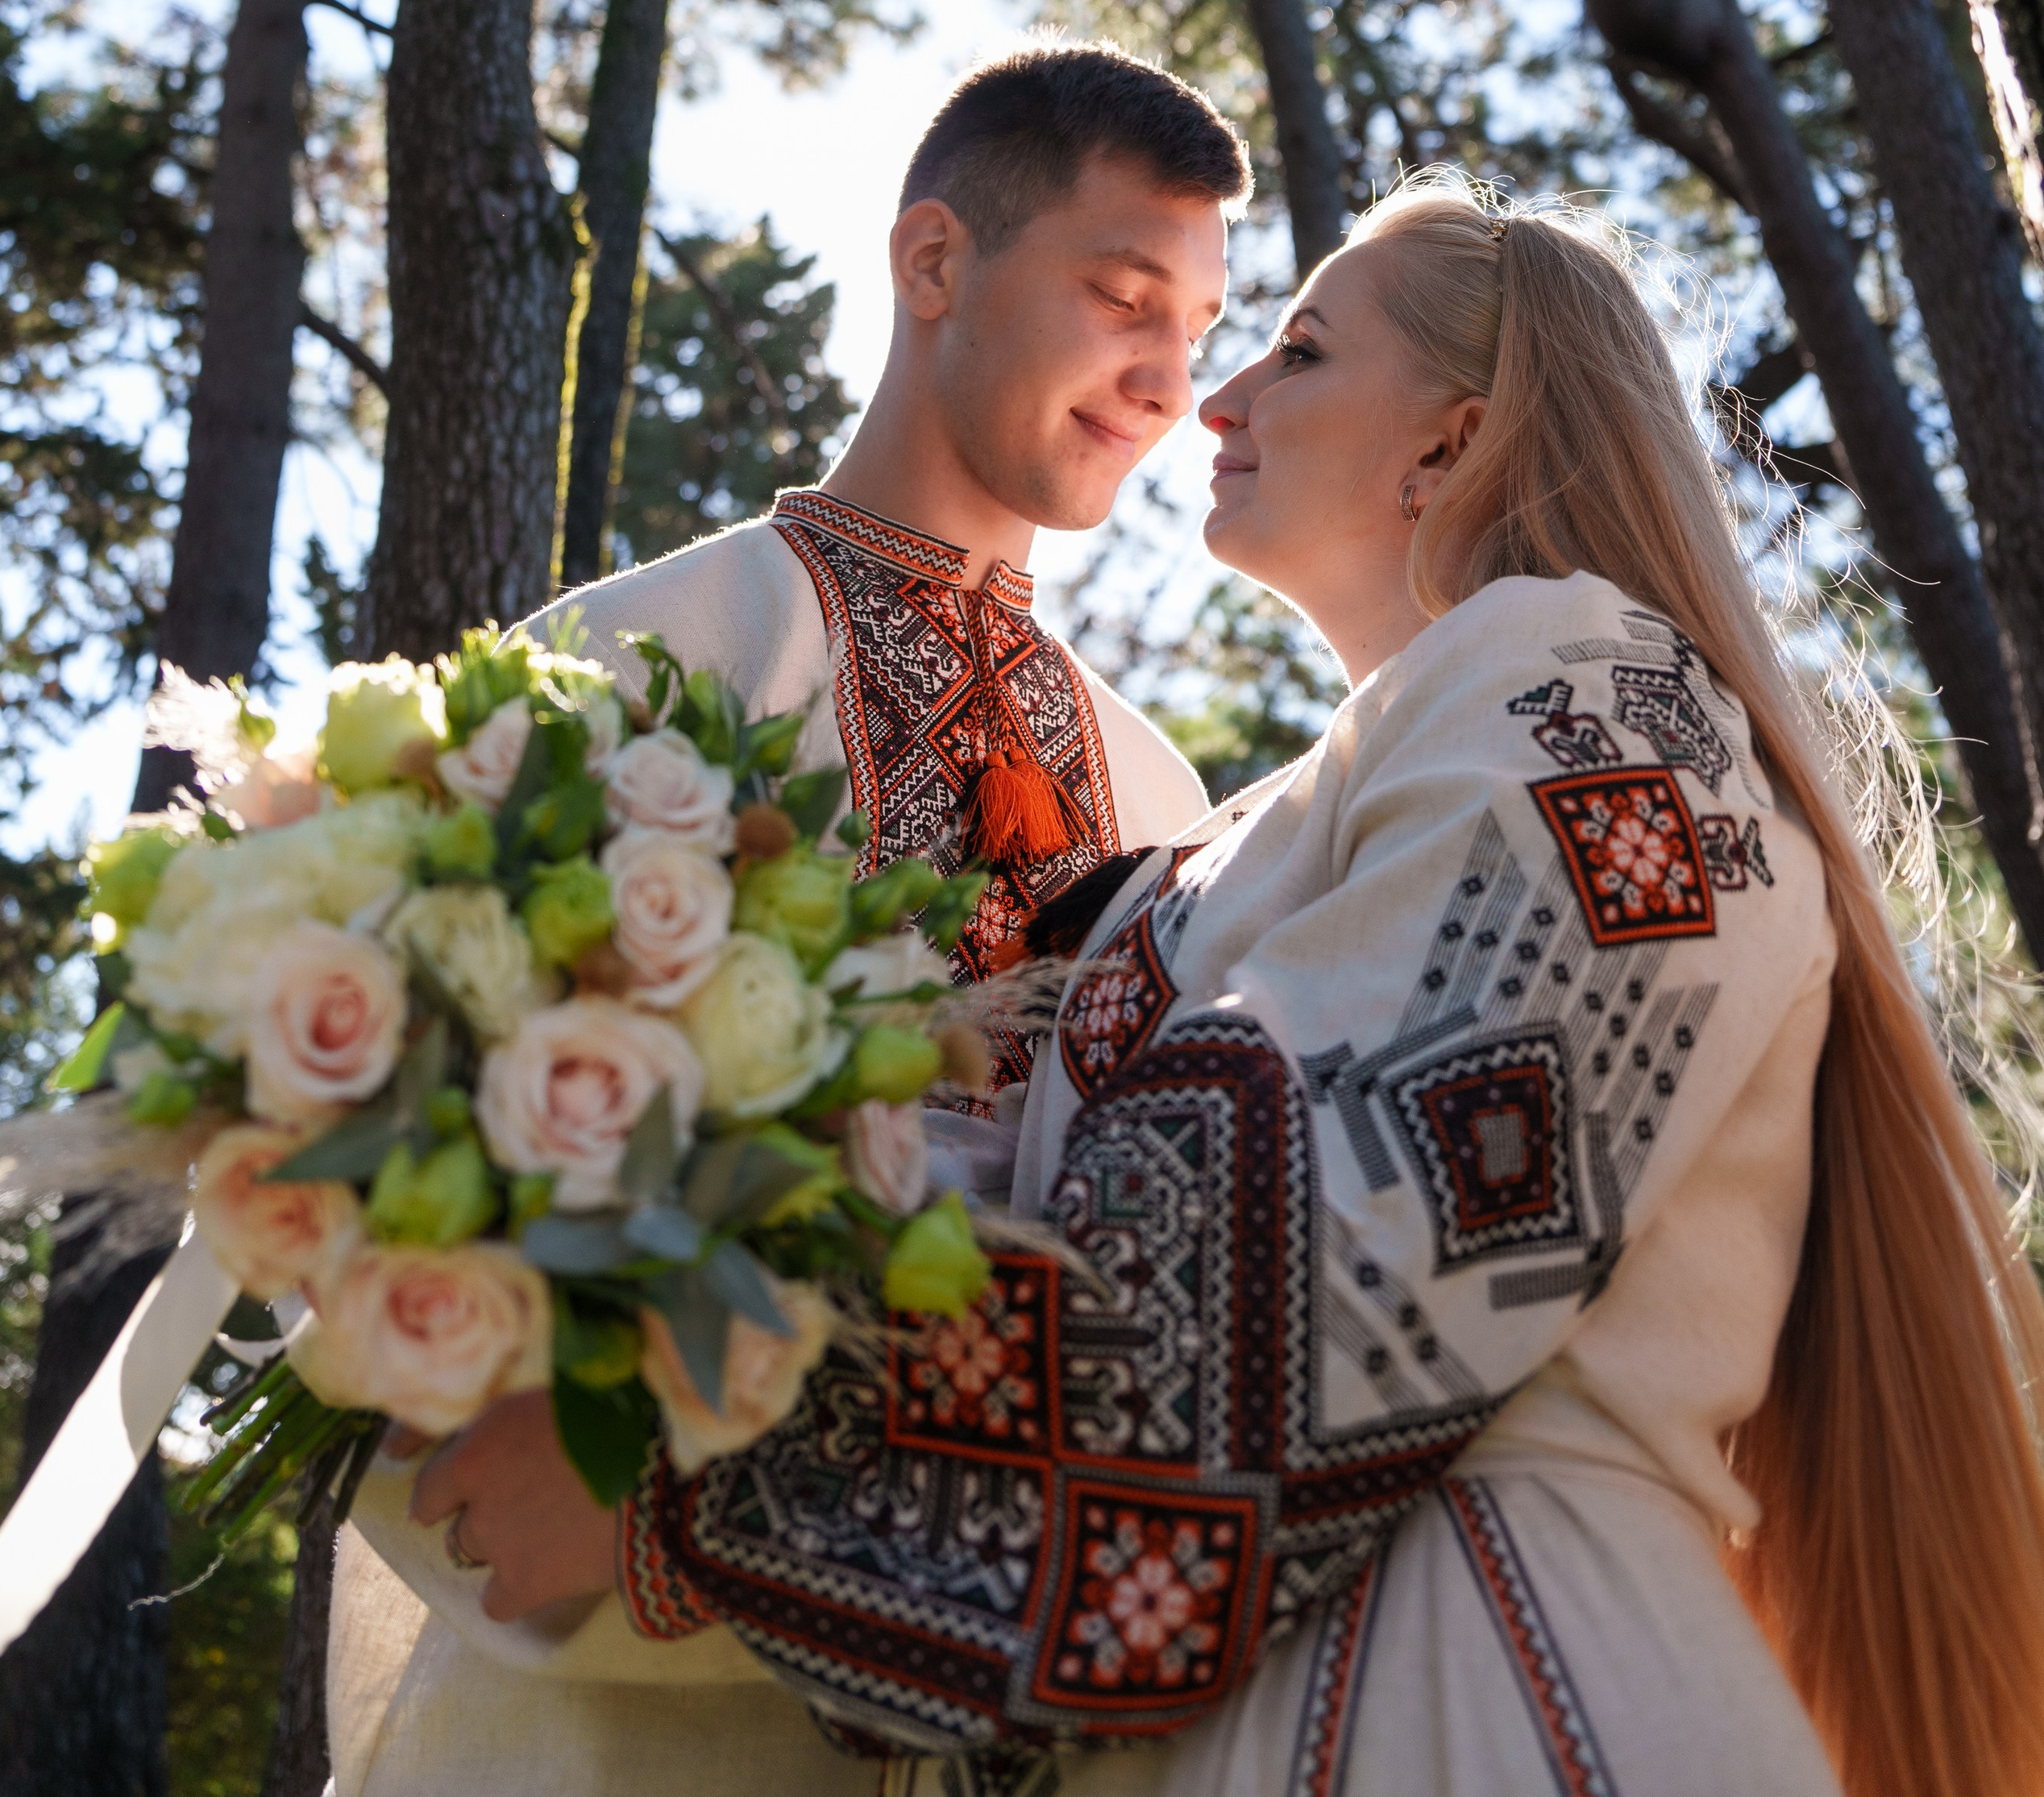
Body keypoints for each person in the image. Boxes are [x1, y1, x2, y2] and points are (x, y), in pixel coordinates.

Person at [564, 178, 2044, 1797]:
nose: (1217, 400)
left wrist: (679, 1506)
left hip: (1480, 1698)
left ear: (1448, 445)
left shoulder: (1592, 697)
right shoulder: (1264, 822)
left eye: (1299, 351)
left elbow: (1270, 1273)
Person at [325, 37, 1244, 1797]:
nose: (1165, 382)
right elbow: (387, 1205)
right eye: (1124, 299)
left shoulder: (1157, 790)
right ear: (933, 262)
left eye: (1197, 332)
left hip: (1023, 1688)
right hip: (609, 1699)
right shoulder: (630, 663)